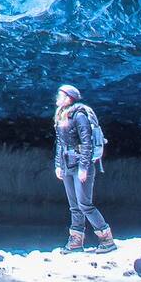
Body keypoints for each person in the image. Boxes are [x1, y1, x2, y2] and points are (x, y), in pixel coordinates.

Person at [52, 84, 114, 253]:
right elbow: (60, 143)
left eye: (60, 95)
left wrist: (84, 168)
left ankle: (106, 238)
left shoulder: (79, 116)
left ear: (68, 98)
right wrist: (58, 164)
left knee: (84, 204)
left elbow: (86, 143)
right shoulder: (61, 116)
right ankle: (76, 241)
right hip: (67, 165)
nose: (57, 97)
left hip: (80, 164)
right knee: (74, 205)